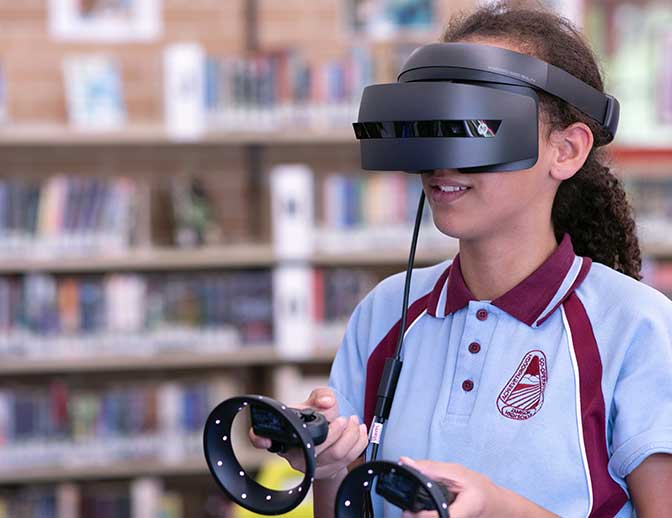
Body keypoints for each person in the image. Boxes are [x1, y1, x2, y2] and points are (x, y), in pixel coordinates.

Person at [252, 2, 672, 516]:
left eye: (475, 125)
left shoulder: (637, 327)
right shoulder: (385, 311)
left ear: (566, 151)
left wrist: (498, 507)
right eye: (432, 125)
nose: (443, 157)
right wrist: (329, 462)